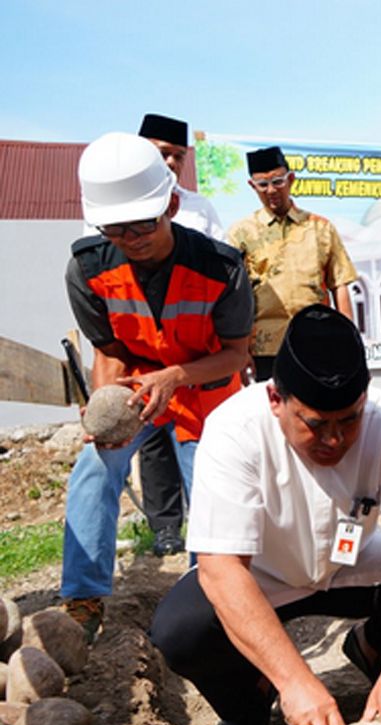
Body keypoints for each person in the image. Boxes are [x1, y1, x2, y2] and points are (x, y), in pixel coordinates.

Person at [149, 305, 381, 725]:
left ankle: (368, 650)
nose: (335, 439)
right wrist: (294, 680)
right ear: (276, 400)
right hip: (260, 578)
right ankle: (253, 694)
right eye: (316, 423)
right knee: (180, 632)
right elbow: (221, 570)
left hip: (352, 566)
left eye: (349, 420)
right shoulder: (233, 431)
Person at [64, 132, 253, 640]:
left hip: (205, 388)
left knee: (210, 492)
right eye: (116, 228)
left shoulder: (222, 267)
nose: (132, 236)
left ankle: (207, 596)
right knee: (93, 466)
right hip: (138, 389)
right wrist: (106, 412)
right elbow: (108, 349)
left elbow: (236, 353)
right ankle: (83, 598)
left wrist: (175, 377)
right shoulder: (88, 269)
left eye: (143, 223)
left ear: (171, 203)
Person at [132, 112, 226, 557]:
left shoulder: (198, 207)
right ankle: (166, 527)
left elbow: (226, 269)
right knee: (152, 443)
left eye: (176, 156)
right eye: (160, 153)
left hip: (194, 353)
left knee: (198, 447)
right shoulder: (116, 203)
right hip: (140, 349)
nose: (169, 162)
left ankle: (207, 544)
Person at [227, 146, 358, 380]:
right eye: (262, 185)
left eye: (278, 182)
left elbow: (340, 284)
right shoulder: (241, 233)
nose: (271, 190)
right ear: (252, 186)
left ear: (291, 179)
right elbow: (234, 296)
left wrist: (348, 339)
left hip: (316, 341)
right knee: (272, 411)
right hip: (263, 348)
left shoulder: (320, 228)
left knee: (316, 410)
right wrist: (239, 350)